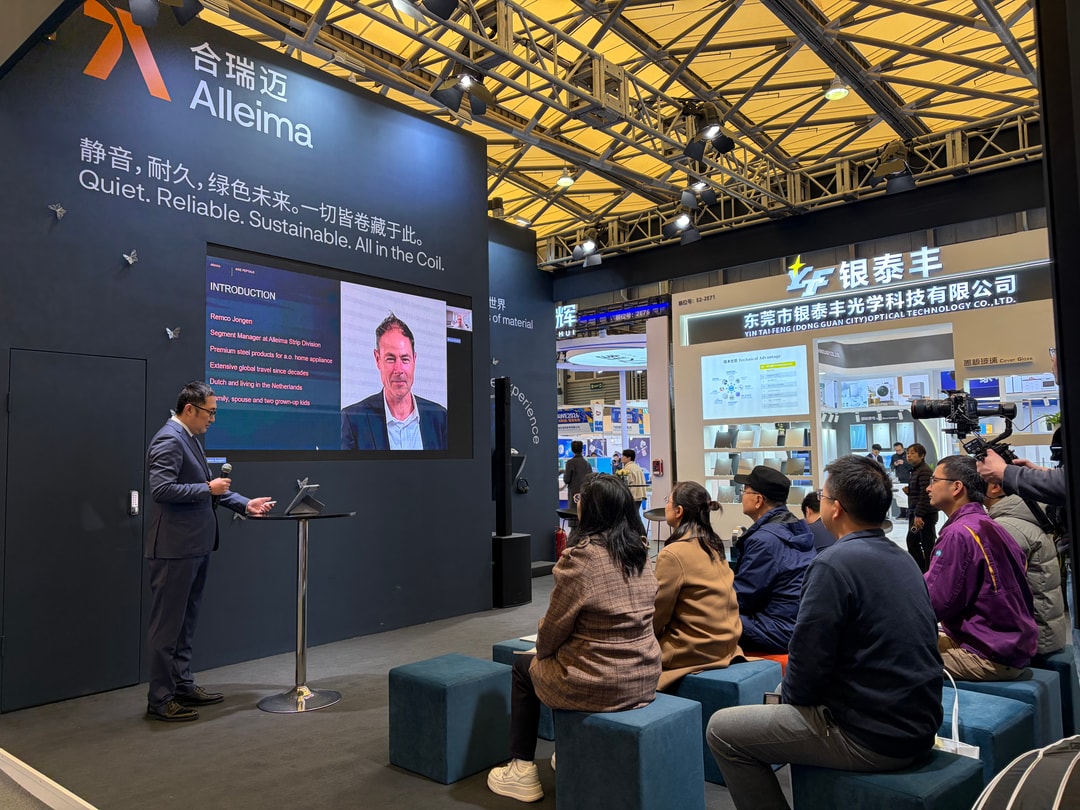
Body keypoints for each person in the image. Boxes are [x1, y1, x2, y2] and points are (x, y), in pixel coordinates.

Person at [707, 456, 943, 810]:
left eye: (823, 495)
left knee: (722, 731)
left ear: (836, 508)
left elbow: (805, 672)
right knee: (777, 692)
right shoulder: (903, 559)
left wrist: (793, 701)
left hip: (871, 737)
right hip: (918, 725)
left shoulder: (833, 564)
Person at [487, 473, 661, 802]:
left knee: (527, 667)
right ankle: (569, 749)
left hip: (600, 682)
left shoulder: (581, 559)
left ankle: (521, 769)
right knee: (558, 660)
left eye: (579, 500)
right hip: (645, 676)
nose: (576, 505)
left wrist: (544, 652)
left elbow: (552, 631)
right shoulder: (641, 553)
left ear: (590, 510)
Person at [145, 382, 274, 722]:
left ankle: (182, 684)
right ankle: (160, 699)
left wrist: (246, 504)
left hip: (195, 546)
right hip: (174, 549)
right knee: (166, 627)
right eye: (210, 412)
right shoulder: (168, 439)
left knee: (185, 623)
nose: (213, 419)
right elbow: (161, 489)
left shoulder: (189, 439)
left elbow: (211, 492)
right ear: (190, 409)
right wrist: (206, 487)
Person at [924, 455, 1037, 681]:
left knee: (888, 654)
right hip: (1010, 644)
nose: (928, 488)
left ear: (956, 487)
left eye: (933, 480)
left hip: (988, 654)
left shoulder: (959, 534)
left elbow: (934, 603)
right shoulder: (990, 525)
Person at [654, 481, 743, 691]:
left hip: (693, 651)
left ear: (679, 511)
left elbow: (657, 614)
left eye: (668, 500)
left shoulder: (673, 554)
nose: (665, 505)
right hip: (727, 645)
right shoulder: (714, 546)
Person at [730, 466, 815, 654]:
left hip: (778, 630)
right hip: (798, 623)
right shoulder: (795, 527)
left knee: (706, 616)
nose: (742, 496)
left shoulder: (765, 540)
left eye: (745, 491)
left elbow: (741, 598)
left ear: (759, 500)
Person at [984, 481, 1068, 656]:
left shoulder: (1007, 526)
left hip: (1034, 642)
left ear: (995, 487)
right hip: (1044, 633)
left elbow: (999, 594)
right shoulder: (1021, 516)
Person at [341, 312, 447, 450]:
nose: (399, 369)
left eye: (405, 359)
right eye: (390, 359)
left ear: (414, 360)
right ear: (377, 359)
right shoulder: (352, 420)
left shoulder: (440, 418)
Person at [904, 443, 938, 572]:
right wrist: (910, 491)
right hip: (918, 512)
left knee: (925, 544)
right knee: (914, 542)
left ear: (922, 455)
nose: (909, 455)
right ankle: (922, 570)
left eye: (913, 453)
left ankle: (928, 571)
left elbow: (925, 495)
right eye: (908, 453)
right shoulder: (916, 470)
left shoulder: (924, 471)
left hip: (924, 515)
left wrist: (919, 515)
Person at [562, 441, 591, 506]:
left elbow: (566, 479)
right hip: (585, 493)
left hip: (574, 494)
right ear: (582, 449)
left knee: (573, 513)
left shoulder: (570, 463)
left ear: (572, 450)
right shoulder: (587, 464)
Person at [889, 441, 912, 518]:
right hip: (899, 479)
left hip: (908, 478)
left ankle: (909, 513)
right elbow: (891, 466)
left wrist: (904, 462)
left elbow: (912, 466)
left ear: (902, 448)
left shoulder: (908, 455)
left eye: (899, 450)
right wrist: (894, 464)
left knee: (908, 496)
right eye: (896, 450)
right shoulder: (894, 456)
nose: (898, 452)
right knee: (900, 496)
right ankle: (902, 513)